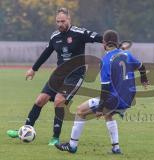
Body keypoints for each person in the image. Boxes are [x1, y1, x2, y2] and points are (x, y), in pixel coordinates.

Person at [7, 7, 103, 145]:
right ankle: (25, 129)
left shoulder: (79, 33)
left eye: (62, 21)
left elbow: (98, 37)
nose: (60, 24)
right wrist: (33, 69)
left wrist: (110, 42)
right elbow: (46, 52)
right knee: (40, 100)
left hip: (75, 76)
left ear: (69, 19)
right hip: (59, 74)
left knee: (59, 101)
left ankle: (55, 137)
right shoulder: (55, 36)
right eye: (57, 21)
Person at [54, 30, 149, 154]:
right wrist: (144, 79)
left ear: (104, 43)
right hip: (128, 99)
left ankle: (72, 145)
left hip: (114, 99)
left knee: (80, 111)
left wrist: (100, 108)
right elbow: (141, 67)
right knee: (108, 114)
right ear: (117, 42)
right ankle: (116, 148)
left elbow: (105, 88)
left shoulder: (105, 60)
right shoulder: (127, 55)